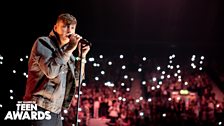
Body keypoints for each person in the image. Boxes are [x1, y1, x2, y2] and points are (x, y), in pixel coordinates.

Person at [23, 13, 90, 126]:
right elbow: (51, 72)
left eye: (72, 28)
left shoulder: (69, 55)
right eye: (65, 26)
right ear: (55, 28)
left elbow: (77, 81)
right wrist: (69, 50)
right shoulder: (43, 43)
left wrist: (82, 57)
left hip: (55, 111)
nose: (69, 30)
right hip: (37, 107)